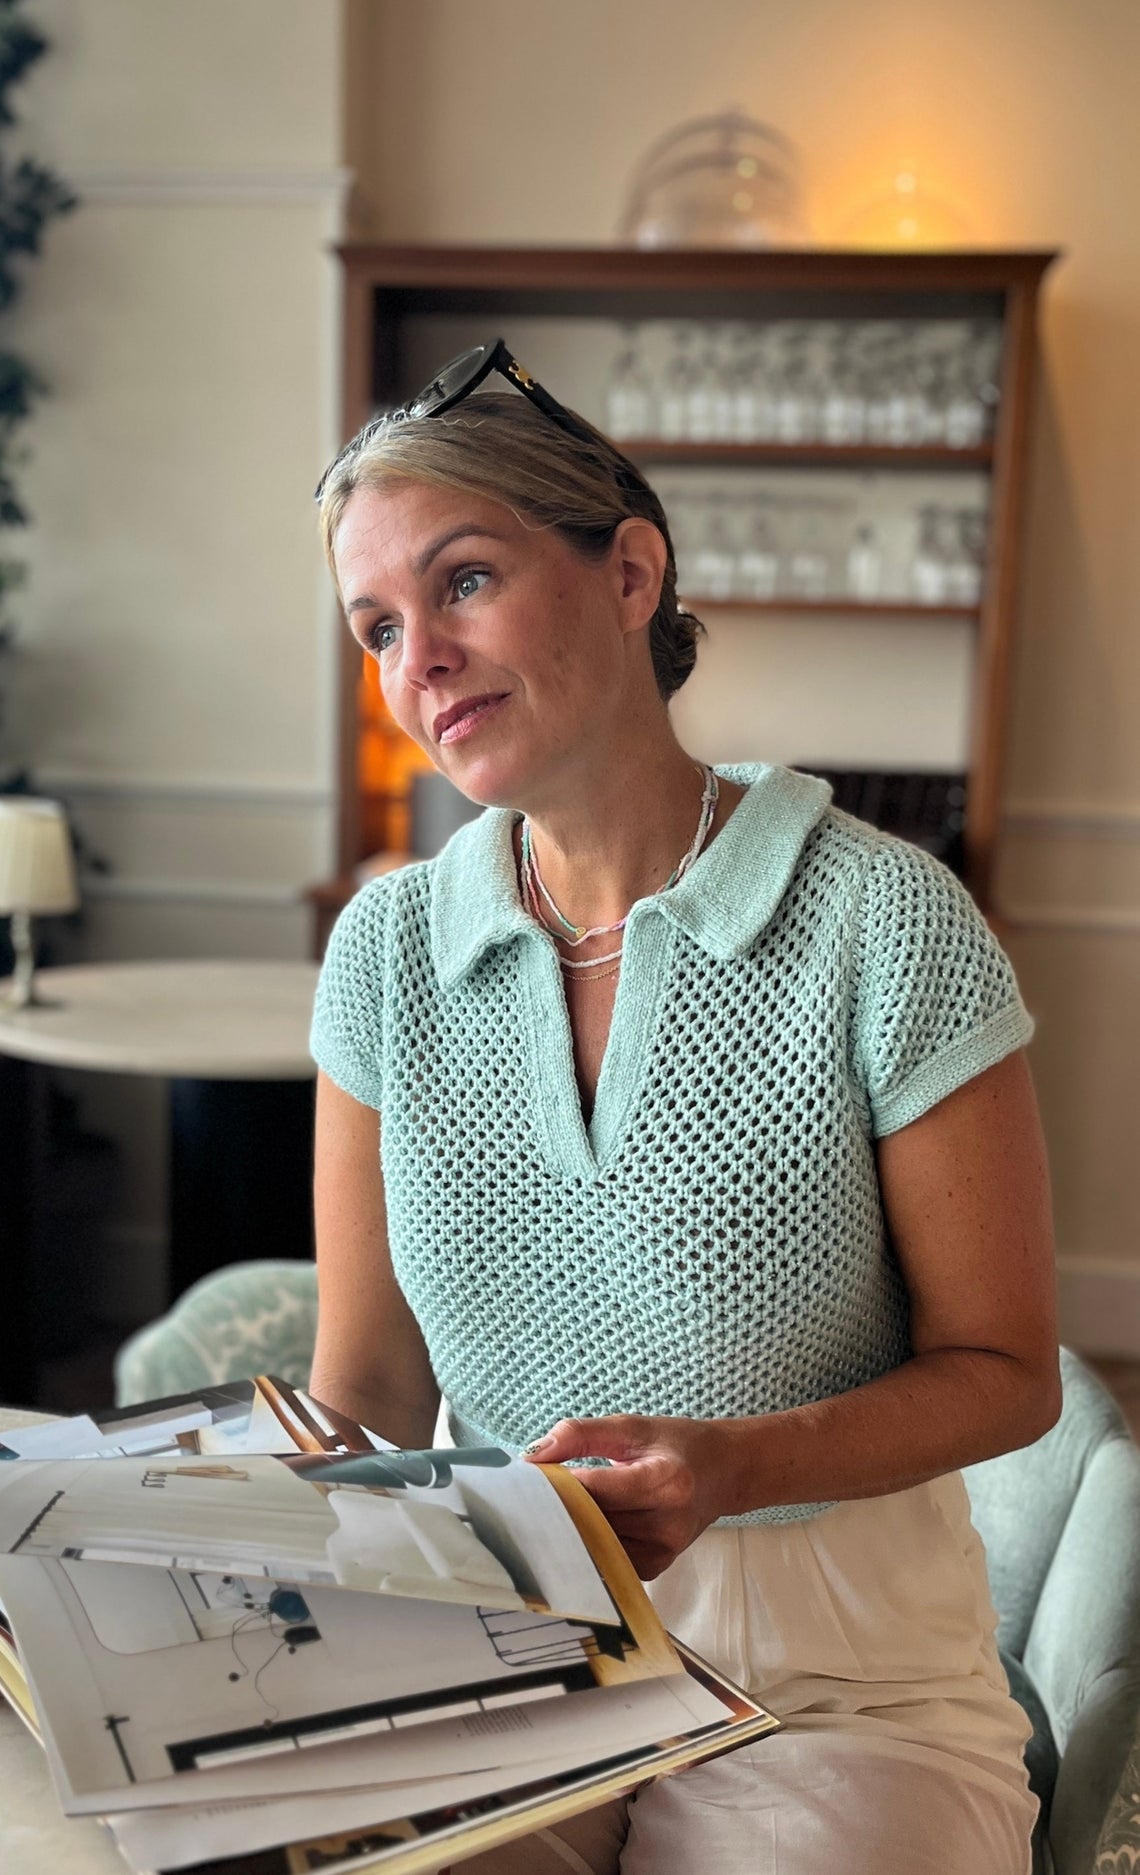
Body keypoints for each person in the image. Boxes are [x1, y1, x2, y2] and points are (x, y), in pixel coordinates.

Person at [306, 342, 1058, 1873]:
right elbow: (369, 1383)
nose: (418, 661)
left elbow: (1007, 1374)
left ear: (631, 573)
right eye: (377, 626)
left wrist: (736, 1468)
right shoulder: (386, 950)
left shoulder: (884, 920)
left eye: (463, 583)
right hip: (502, 1649)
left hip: (842, 1689)